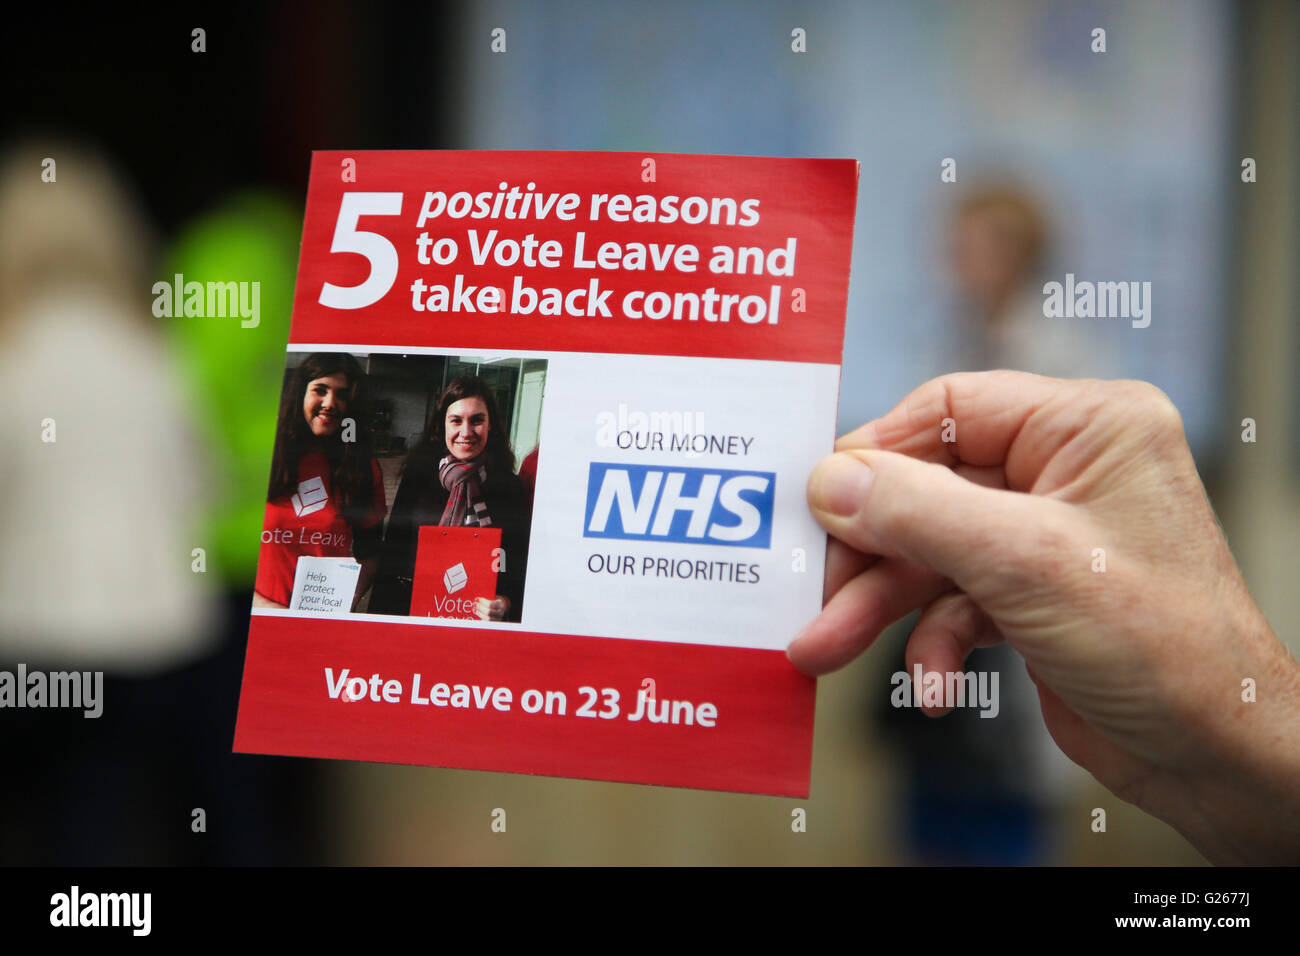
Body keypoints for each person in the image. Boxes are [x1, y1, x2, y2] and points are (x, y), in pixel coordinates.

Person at [792, 370, 1300, 865]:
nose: (966, 279)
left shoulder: (1054, 357)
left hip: (1015, 716)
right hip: (954, 714)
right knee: (934, 818)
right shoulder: (942, 352)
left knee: (999, 829)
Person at [370, 376, 531, 622]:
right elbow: (393, 555)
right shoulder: (418, 478)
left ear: (491, 426)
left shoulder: (510, 487)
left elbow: (520, 563)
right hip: (418, 621)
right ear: (442, 426)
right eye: (456, 420)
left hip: (482, 629)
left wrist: (507, 602)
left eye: (477, 420)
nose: (466, 432)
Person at [253, 352, 386, 610]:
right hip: (256, 619)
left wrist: (347, 600)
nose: (330, 403)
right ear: (300, 393)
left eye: (342, 394)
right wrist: (258, 604)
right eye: (320, 390)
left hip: (319, 626)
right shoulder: (259, 456)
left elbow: (370, 554)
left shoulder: (362, 468)